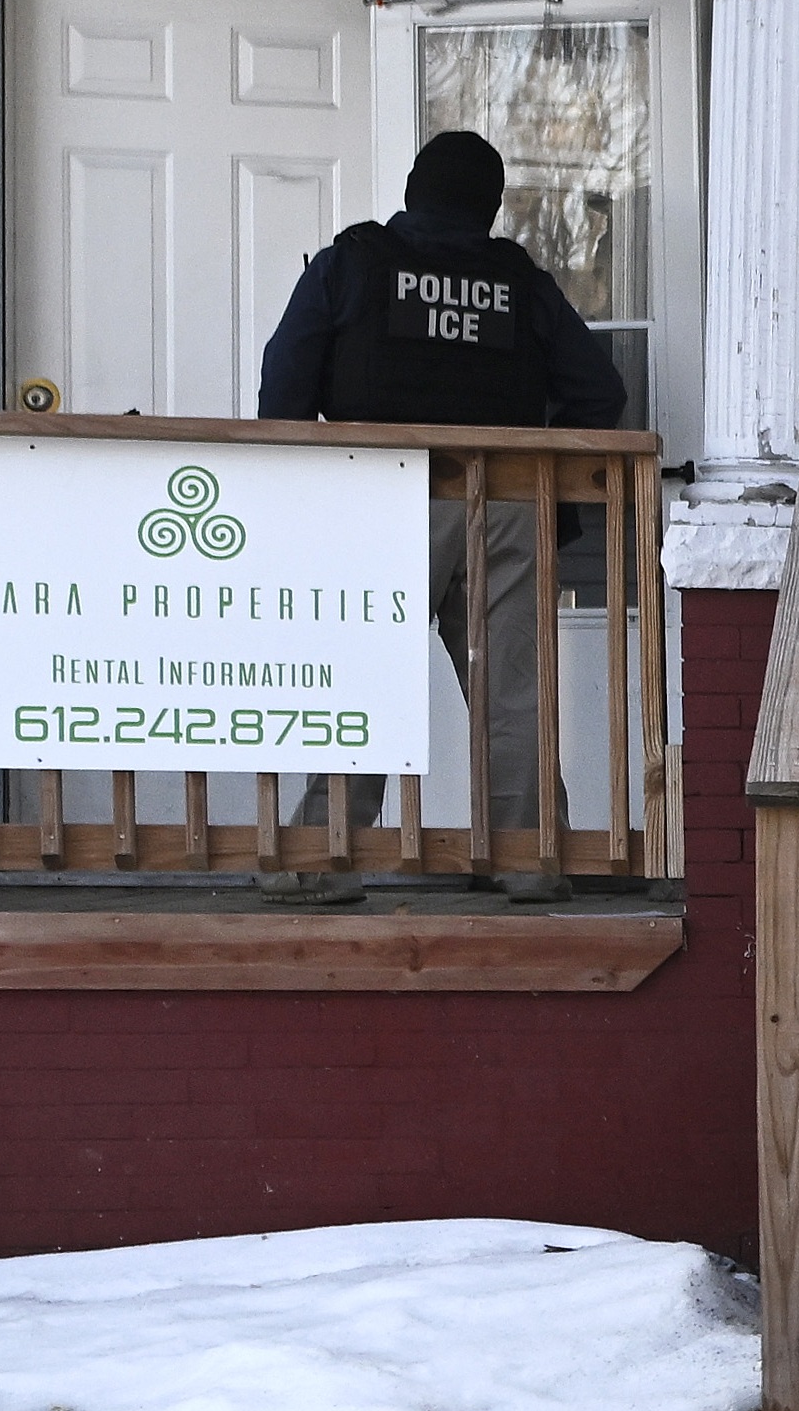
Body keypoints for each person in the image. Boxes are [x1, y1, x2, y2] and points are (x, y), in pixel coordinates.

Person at [251, 128, 626, 904]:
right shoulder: (517, 280)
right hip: (511, 496)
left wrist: (303, 484)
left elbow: (285, 381)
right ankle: (528, 858)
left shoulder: (354, 260)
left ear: (413, 189)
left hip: (384, 495)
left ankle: (326, 856)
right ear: (489, 205)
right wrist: (538, 465)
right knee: (514, 686)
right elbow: (599, 392)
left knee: (365, 679)